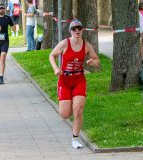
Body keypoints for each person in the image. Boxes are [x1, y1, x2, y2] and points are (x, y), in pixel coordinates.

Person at [49, 20, 100, 149]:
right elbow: (52, 55)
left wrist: (92, 62)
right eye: (74, 29)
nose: (77, 31)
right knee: (65, 114)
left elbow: (97, 60)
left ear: (82, 30)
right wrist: (56, 68)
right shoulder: (64, 44)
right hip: (64, 80)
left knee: (78, 110)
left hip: (79, 80)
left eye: (79, 28)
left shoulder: (86, 45)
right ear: (70, 31)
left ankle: (75, 139)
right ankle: (68, 101)